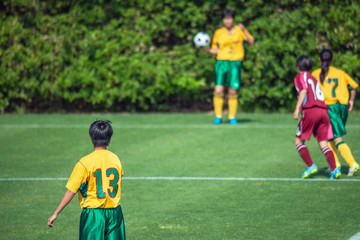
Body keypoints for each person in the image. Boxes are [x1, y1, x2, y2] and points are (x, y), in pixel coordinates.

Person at [47, 120, 125, 240]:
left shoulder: (85, 163)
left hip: (93, 215)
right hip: (115, 213)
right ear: (109, 138)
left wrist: (56, 213)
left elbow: (71, 191)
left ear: (91, 137)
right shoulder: (115, 159)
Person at [200, 8, 254, 124]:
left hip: (235, 63)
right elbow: (216, 50)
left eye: (229, 19)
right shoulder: (218, 32)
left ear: (233, 19)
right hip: (221, 63)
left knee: (233, 91)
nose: (227, 21)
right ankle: (218, 116)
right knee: (218, 89)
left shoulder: (240, 30)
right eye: (225, 19)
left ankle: (232, 117)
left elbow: (251, 42)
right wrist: (205, 49)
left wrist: (244, 31)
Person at [312, 49, 359, 176]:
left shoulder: (316, 74)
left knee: (335, 137)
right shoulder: (340, 73)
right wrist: (351, 101)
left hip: (329, 108)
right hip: (342, 107)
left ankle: (352, 163)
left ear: (319, 60)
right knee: (329, 136)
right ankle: (335, 165)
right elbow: (353, 86)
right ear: (332, 60)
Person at [293, 55, 340, 180]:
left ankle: (310, 165)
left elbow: (303, 91)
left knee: (298, 141)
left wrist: (297, 109)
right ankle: (335, 169)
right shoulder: (313, 78)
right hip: (323, 111)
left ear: (298, 67)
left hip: (310, 111)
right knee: (323, 143)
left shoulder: (300, 77)